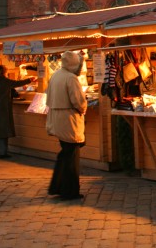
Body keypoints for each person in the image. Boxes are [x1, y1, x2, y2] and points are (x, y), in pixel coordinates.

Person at [46, 51, 87, 201]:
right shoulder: (71, 78)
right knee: (71, 157)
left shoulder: (56, 75)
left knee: (65, 154)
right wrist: (83, 108)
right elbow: (78, 101)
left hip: (57, 119)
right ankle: (70, 190)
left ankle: (58, 186)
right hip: (69, 120)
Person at [0, 65, 35, 158]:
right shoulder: (4, 80)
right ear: (3, 72)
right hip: (3, 107)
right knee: (3, 130)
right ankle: (2, 152)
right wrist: (29, 80)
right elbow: (16, 83)